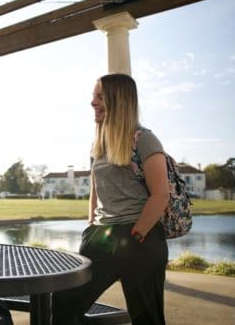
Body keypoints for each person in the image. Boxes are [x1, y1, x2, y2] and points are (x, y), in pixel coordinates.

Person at [52, 74, 170, 325]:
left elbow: (161, 194)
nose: (92, 102)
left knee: (146, 318)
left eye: (100, 97)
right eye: (94, 96)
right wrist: (91, 226)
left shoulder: (145, 139)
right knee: (64, 304)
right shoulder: (99, 144)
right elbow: (96, 190)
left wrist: (136, 235)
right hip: (102, 237)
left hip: (141, 237)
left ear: (119, 100)